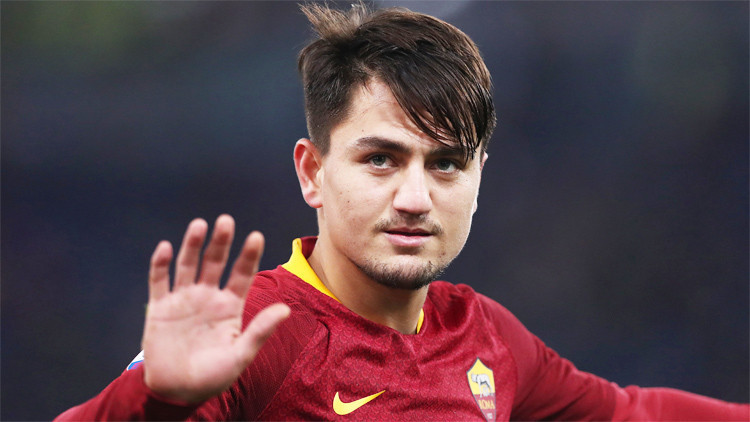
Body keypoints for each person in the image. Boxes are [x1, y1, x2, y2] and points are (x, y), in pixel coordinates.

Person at [56, 3, 748, 421]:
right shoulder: (260, 334)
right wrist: (156, 401)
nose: (415, 199)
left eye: (445, 164)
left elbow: (629, 412)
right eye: (381, 159)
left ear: (479, 176)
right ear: (312, 172)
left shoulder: (486, 338)